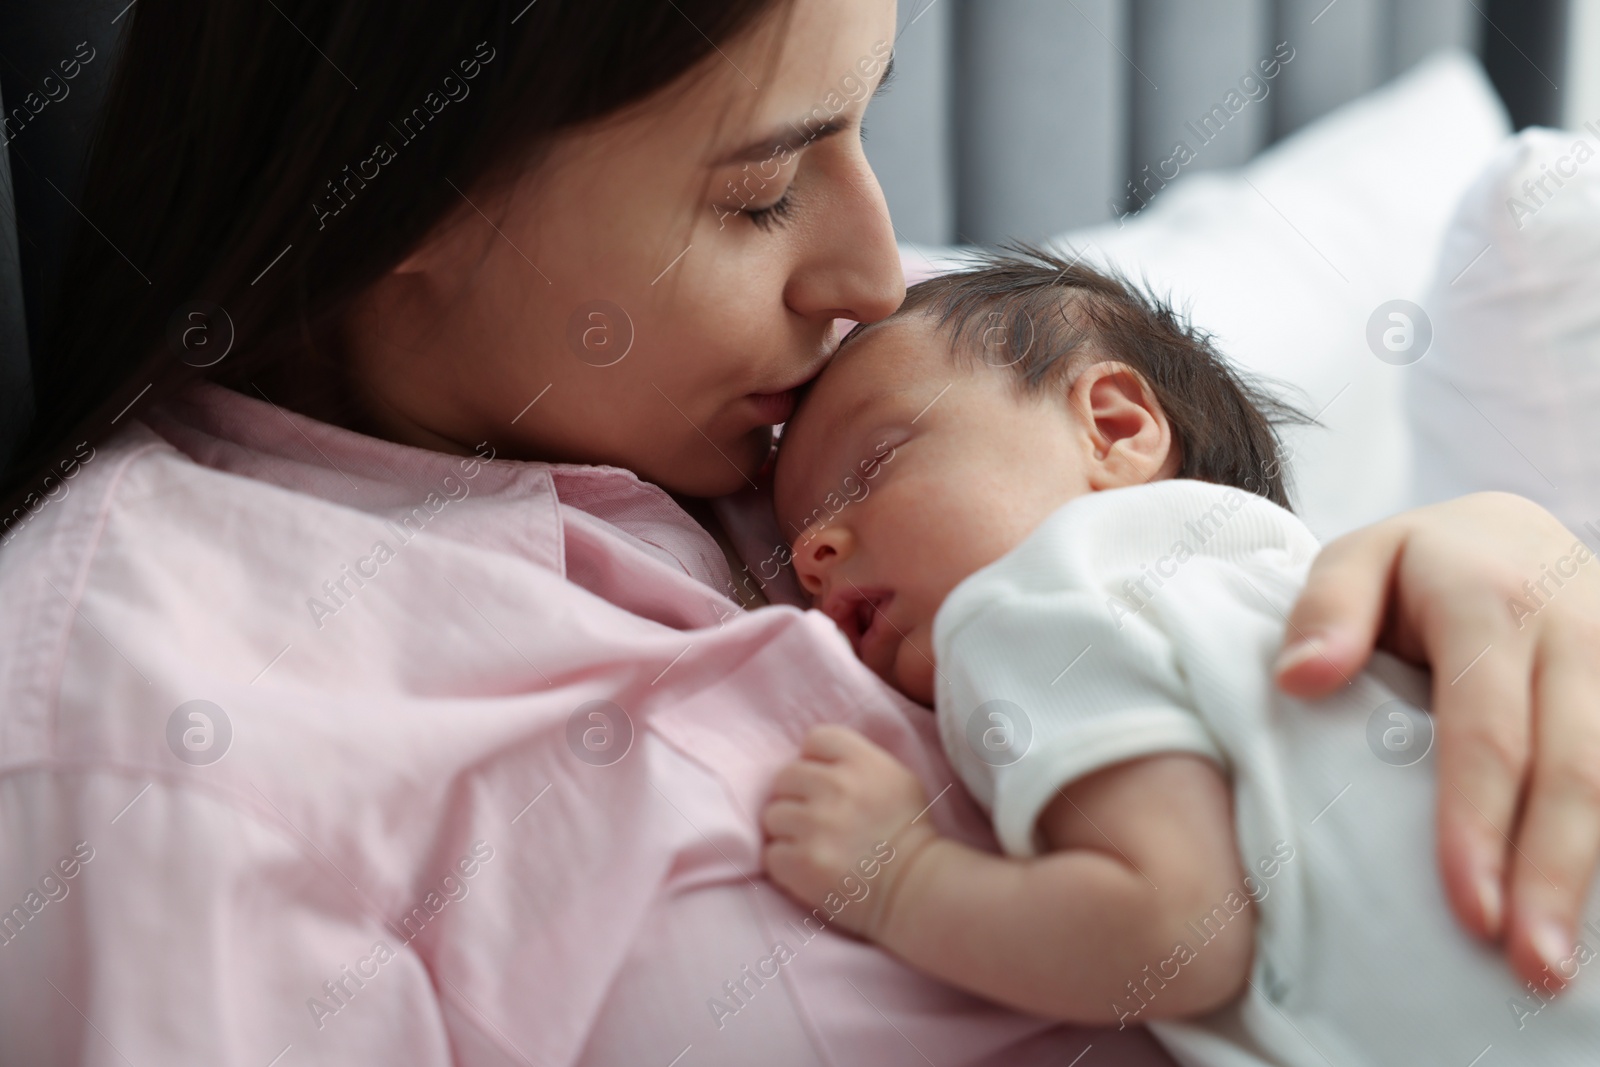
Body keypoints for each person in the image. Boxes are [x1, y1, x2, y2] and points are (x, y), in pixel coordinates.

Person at [0, 1, 1597, 1063]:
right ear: (409, 192)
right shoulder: (158, 718)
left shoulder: (783, 441)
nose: (872, 272)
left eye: (862, 135)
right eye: (762, 193)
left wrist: (1501, 565)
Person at [761, 247, 1600, 1066]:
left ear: (1115, 428)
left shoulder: (1038, 586)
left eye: (874, 464)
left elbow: (1177, 930)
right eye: (798, 543)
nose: (812, 554)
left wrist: (900, 880)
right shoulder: (1284, 583)